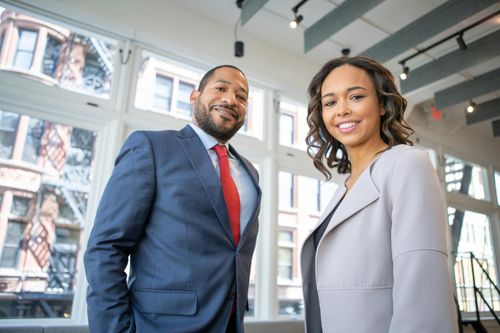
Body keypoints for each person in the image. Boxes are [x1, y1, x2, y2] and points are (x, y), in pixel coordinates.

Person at [84, 65, 261, 333]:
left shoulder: (250, 173)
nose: (230, 100)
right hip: (159, 325)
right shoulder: (151, 148)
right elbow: (107, 248)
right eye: (221, 88)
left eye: (241, 96)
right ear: (194, 96)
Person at [301, 56, 458, 333]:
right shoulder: (343, 190)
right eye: (330, 102)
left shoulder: (407, 164)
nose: (342, 110)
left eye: (356, 96)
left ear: (383, 105)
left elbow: (423, 295)